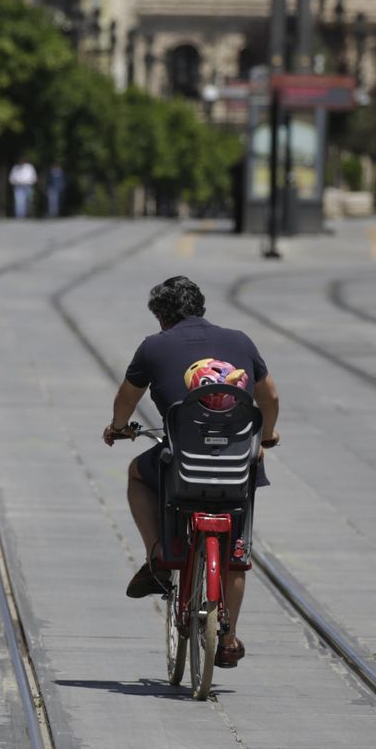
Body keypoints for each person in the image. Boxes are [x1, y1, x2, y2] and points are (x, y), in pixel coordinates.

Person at [102, 276, 279, 668]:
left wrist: (118, 428)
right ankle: (228, 638)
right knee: (237, 549)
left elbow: (125, 400)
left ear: (162, 318)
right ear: (200, 308)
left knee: (136, 474)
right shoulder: (241, 341)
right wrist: (265, 436)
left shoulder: (153, 346)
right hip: (237, 466)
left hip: (183, 464)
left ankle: (159, 553)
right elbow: (271, 396)